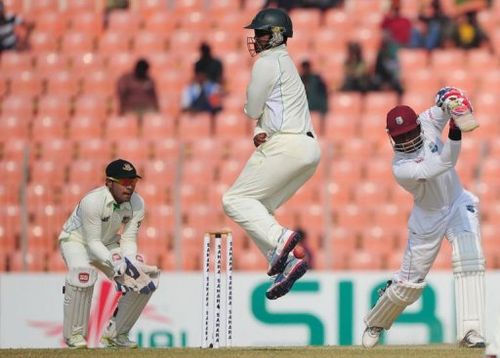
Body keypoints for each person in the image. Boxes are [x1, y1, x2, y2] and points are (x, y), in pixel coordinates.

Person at [362, 87, 485, 349]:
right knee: (409, 285)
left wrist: (450, 99)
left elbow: (444, 105)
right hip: (427, 219)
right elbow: (442, 164)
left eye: (409, 132)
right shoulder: (401, 167)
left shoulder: (427, 121)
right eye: (400, 136)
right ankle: (376, 320)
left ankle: (471, 331)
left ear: (418, 124)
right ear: (391, 138)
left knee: (469, 259)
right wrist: (455, 129)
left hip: (457, 202)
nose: (406, 140)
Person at [222, 8, 321, 300]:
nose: (256, 38)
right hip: (308, 150)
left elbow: (253, 108)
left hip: (287, 146)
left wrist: (253, 119)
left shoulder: (267, 62)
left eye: (262, 33)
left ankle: (280, 240)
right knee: (259, 207)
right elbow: (270, 116)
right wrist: (258, 130)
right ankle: (286, 262)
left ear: (278, 35)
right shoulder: (286, 65)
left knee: (234, 199)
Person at [59, 159, 159, 348]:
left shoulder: (137, 203)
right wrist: (115, 262)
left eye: (133, 182)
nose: (129, 187)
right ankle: (75, 335)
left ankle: (115, 335)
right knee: (83, 274)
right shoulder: (93, 201)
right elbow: (92, 242)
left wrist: (129, 263)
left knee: (143, 279)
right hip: (76, 241)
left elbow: (129, 239)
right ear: (109, 183)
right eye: (124, 182)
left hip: (108, 242)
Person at [300, 60, 328, 135]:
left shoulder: (317, 79)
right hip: (304, 107)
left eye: (307, 68)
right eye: (304, 68)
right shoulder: (299, 80)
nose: (305, 70)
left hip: (316, 104)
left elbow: (324, 93)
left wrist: (323, 106)